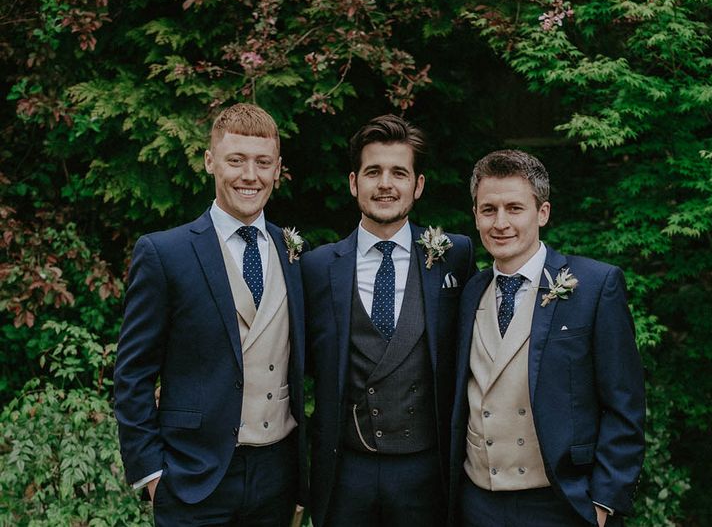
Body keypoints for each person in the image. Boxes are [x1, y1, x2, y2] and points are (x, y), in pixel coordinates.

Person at [114, 103, 306, 526]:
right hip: (193, 475)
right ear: (209, 161)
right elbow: (133, 374)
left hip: (278, 474)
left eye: (262, 163)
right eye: (235, 160)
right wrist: (152, 474)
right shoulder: (165, 253)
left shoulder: (293, 251)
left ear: (277, 169)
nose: (250, 175)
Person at [449, 149, 645, 527]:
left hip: (561, 503)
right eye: (488, 210)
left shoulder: (594, 286)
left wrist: (605, 500)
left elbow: (625, 403)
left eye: (514, 208)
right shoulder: (469, 292)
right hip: (477, 502)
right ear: (475, 215)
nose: (500, 222)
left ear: (543, 212)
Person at [302, 114, 476, 527]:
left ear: (417, 185)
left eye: (399, 172)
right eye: (373, 171)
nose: (385, 184)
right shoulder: (316, 266)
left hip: (426, 472)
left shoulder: (456, 255)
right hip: (345, 471)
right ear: (353, 182)